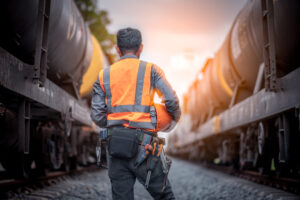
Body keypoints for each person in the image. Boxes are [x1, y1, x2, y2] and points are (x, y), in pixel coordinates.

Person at [91, 27, 181, 200]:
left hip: (115, 146)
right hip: (145, 146)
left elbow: (97, 116)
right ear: (140, 48)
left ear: (118, 49)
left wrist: (116, 123)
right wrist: (172, 121)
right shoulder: (151, 70)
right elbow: (171, 100)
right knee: (165, 196)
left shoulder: (104, 76)